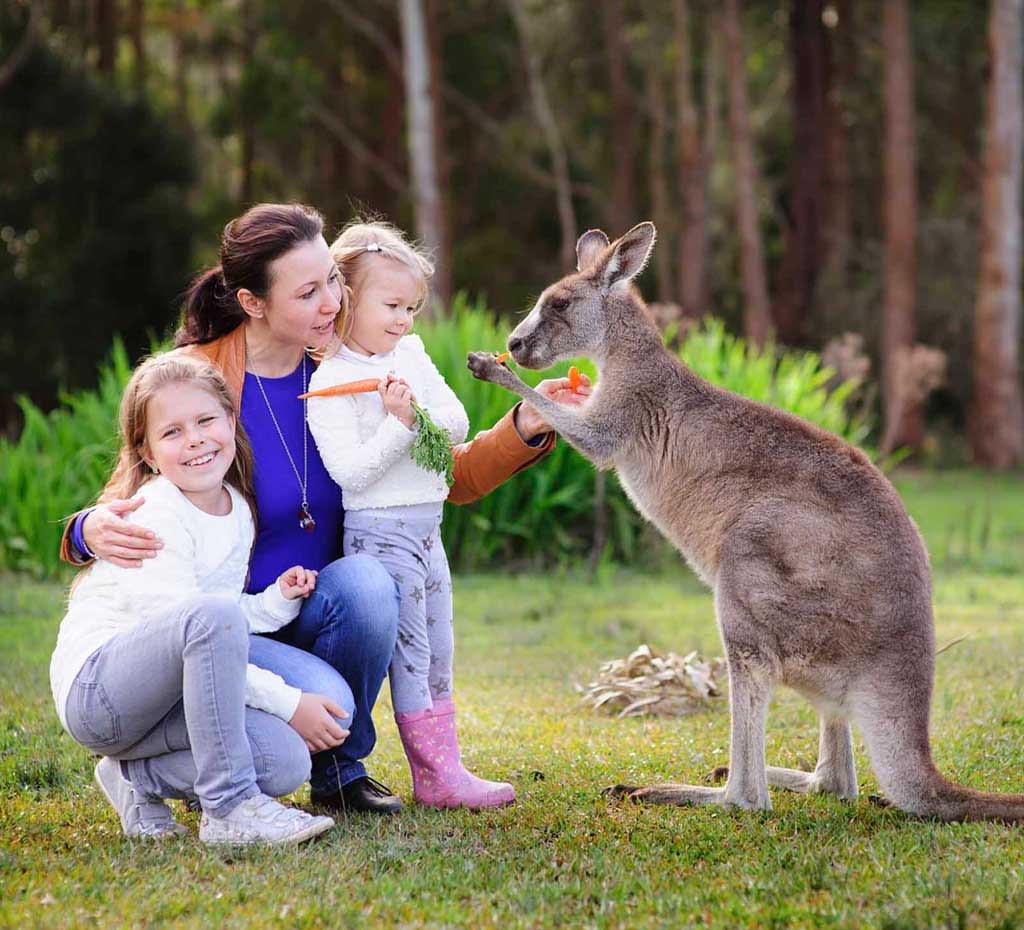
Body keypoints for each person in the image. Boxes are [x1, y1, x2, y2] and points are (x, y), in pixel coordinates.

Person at [59, 203, 578, 814]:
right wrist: (83, 531)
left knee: (367, 584)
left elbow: (445, 477)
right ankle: (178, 759)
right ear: (254, 303)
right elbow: (136, 495)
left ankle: (340, 771)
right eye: (308, 292)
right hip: (234, 625)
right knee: (298, 728)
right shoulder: (199, 380)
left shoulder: (349, 366)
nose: (333, 302)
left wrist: (523, 423)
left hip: (314, 604)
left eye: (332, 278)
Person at [50, 354, 337, 845]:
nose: (196, 439)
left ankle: (135, 777)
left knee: (284, 758)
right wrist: (290, 702)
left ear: (230, 419)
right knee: (216, 626)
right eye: (172, 432)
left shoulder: (234, 507)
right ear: (147, 451)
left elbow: (219, 627)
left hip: (169, 703)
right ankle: (230, 809)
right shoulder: (156, 512)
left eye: (206, 420)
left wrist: (275, 602)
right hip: (101, 692)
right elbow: (203, 623)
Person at [308, 222, 512, 809]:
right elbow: (352, 475)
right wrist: (399, 424)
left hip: (429, 528)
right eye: (392, 305)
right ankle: (435, 776)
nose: (404, 320)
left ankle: (443, 772)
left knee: (440, 644)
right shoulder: (333, 382)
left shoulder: (411, 354)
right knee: (411, 653)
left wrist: (410, 409)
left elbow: (455, 422)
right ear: (345, 299)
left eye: (413, 308)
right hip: (380, 532)